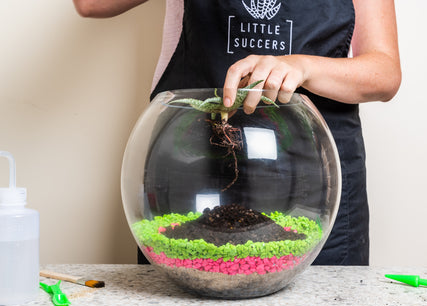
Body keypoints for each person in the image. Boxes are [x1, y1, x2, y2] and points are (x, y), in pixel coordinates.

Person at [73, 0, 401, 265]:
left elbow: (384, 73)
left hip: (317, 187)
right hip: (196, 175)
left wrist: (303, 67)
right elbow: (90, 4)